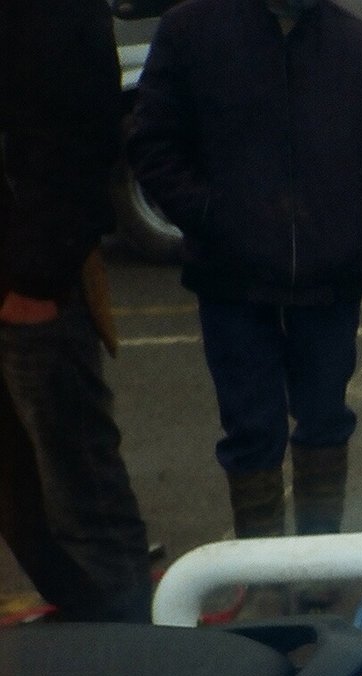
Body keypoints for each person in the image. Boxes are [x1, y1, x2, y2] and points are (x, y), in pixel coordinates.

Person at [127, 0, 362, 546]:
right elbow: (153, 144)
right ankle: (261, 571)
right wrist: (213, 218)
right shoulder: (191, 31)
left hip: (330, 283)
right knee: (250, 433)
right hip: (231, 282)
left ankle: (318, 564)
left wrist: (355, 227)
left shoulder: (355, 43)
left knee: (325, 424)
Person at [0, 0, 153, 623]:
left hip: (30, 284)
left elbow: (76, 129)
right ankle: (89, 628)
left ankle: (127, 646)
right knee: (21, 500)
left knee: (78, 490)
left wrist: (37, 279)